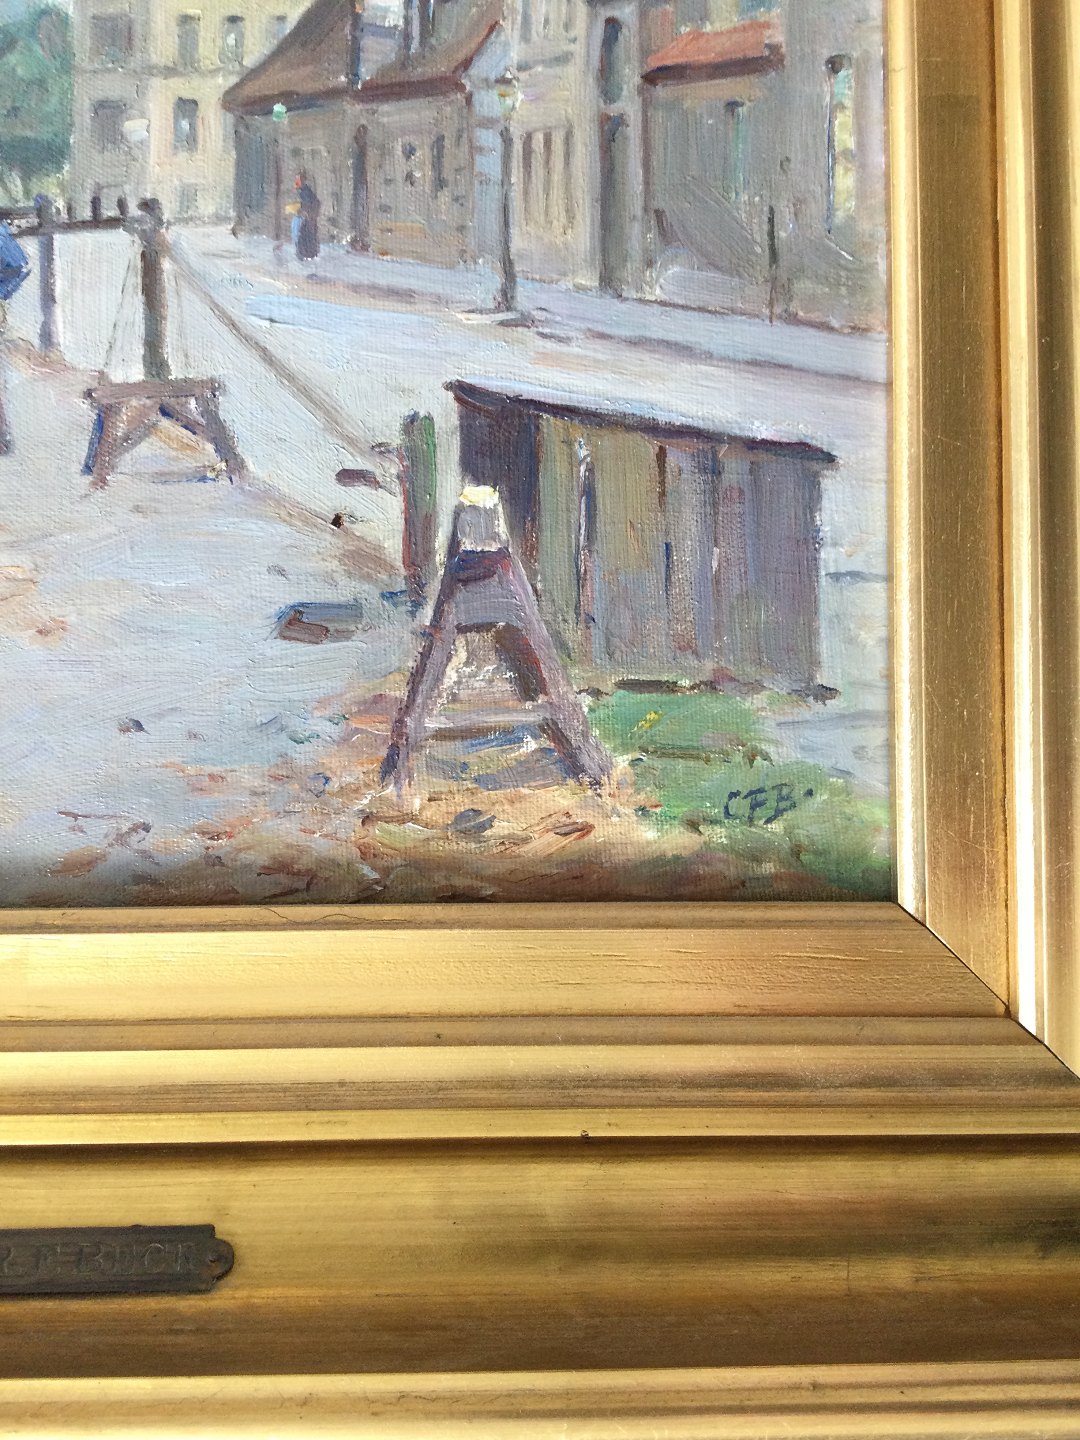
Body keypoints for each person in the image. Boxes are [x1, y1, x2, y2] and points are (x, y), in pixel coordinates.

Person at [294, 175, 321, 263]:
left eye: (298, 181)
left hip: (310, 217)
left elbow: (310, 204)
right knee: (305, 234)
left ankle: (307, 254)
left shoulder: (305, 192)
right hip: (309, 216)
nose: (296, 183)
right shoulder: (304, 191)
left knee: (306, 234)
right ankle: (307, 254)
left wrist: (305, 211)